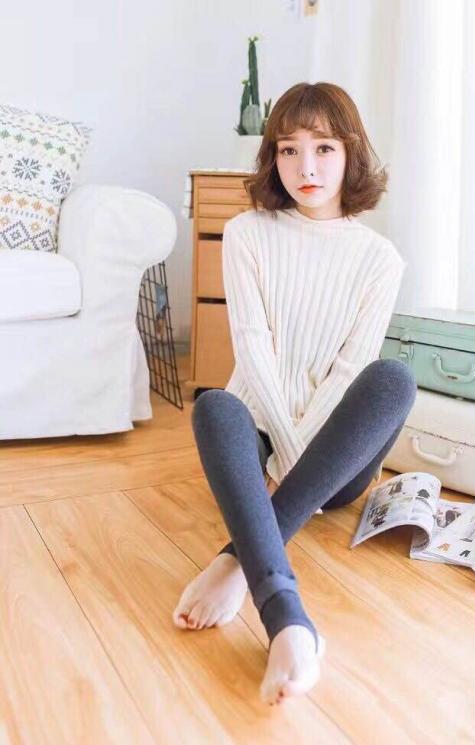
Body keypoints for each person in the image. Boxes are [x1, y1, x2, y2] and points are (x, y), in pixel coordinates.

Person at [173, 82, 417, 706]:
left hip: (332, 465)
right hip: (261, 440)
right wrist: (281, 453)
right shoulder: (247, 233)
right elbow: (252, 351)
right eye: (288, 150)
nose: (306, 167)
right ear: (273, 158)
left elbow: (350, 370)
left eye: (324, 148)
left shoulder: (380, 259)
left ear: (352, 153)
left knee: (391, 379)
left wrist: (294, 464)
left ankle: (237, 559)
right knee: (217, 406)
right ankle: (288, 619)